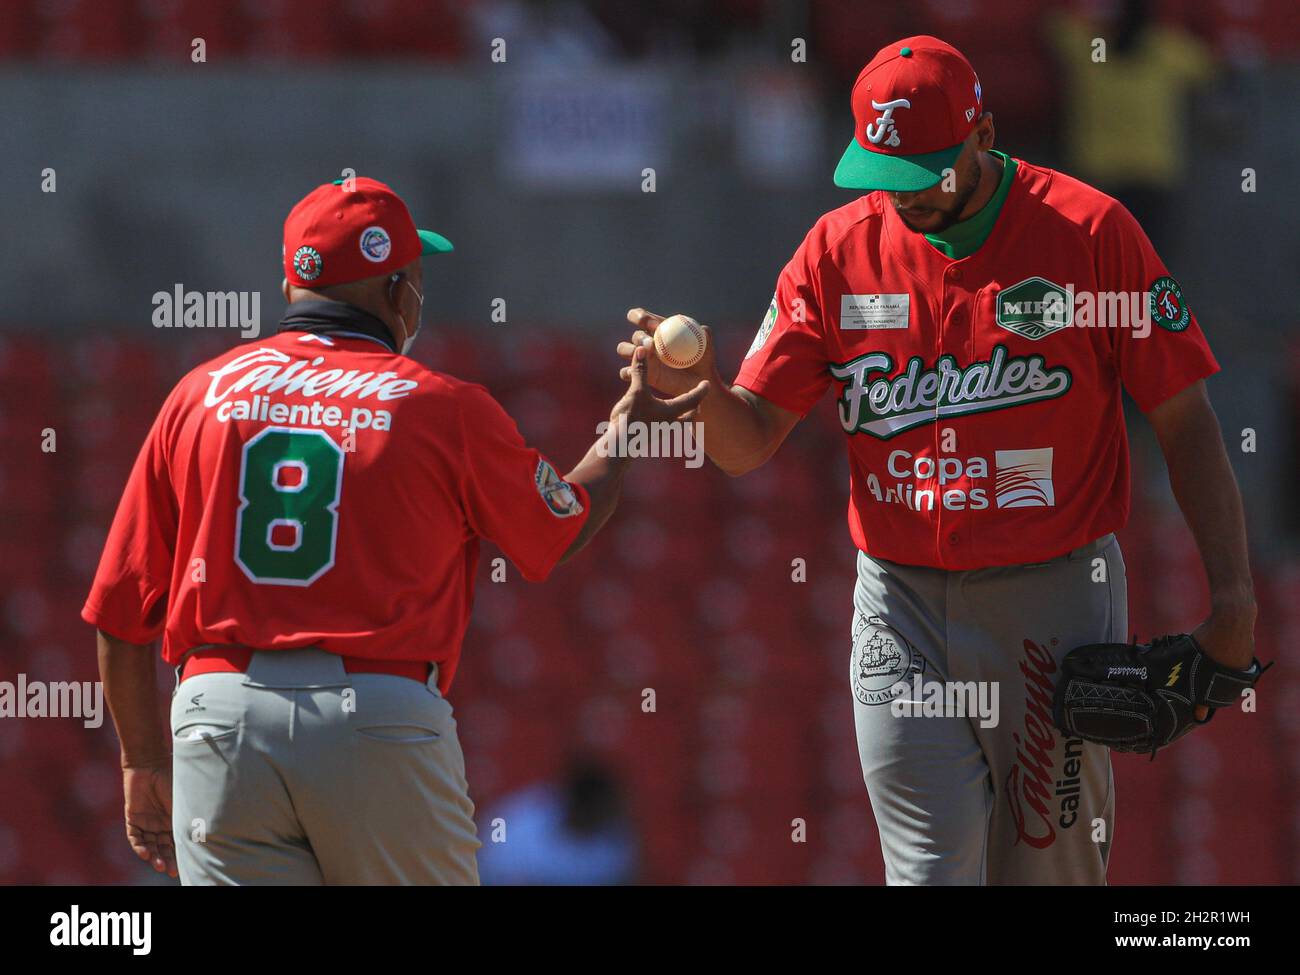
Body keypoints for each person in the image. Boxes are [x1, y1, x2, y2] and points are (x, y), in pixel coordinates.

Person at [617, 36, 1258, 885]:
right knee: (927, 871)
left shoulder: (1091, 232)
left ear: (984, 135)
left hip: (1055, 599)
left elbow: (1185, 417)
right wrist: (699, 393)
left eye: (925, 173)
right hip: (900, 606)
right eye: (885, 171)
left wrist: (1235, 598)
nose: (902, 195)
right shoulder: (835, 252)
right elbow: (749, 441)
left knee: (1050, 872)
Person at [84, 176, 707, 885]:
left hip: (219, 719)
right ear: (393, 290)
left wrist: (141, 762)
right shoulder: (440, 406)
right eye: (413, 276)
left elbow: (119, 611)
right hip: (374, 718)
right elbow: (559, 526)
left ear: (293, 285)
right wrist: (621, 436)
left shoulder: (197, 394)